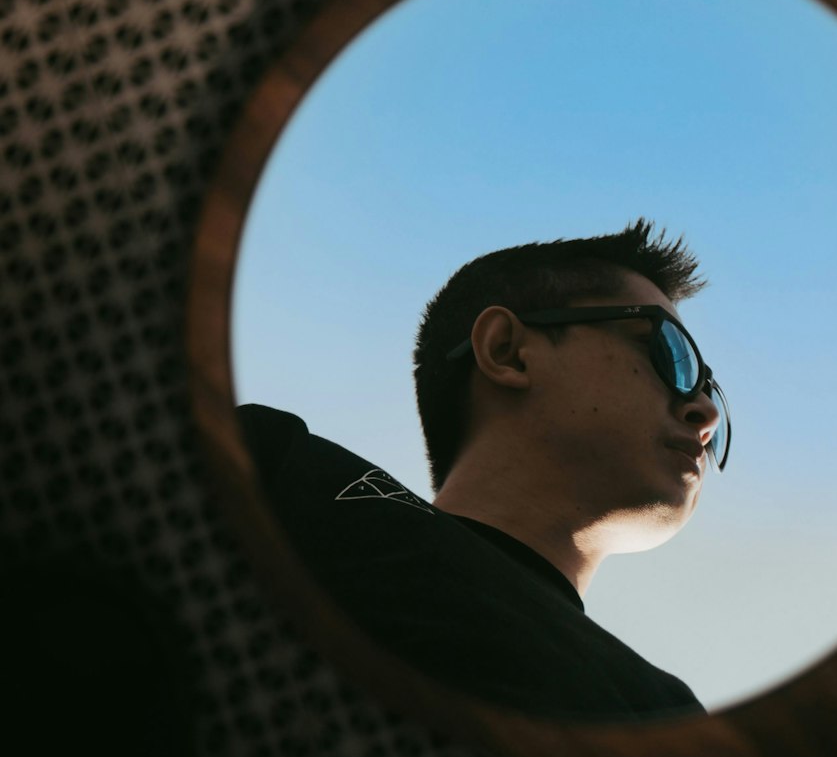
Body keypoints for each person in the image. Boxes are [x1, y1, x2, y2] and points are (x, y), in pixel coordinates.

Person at [237, 219, 731, 722]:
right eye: (673, 354)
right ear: (507, 351)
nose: (706, 413)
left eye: (710, 389)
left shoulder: (664, 722)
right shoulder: (274, 473)